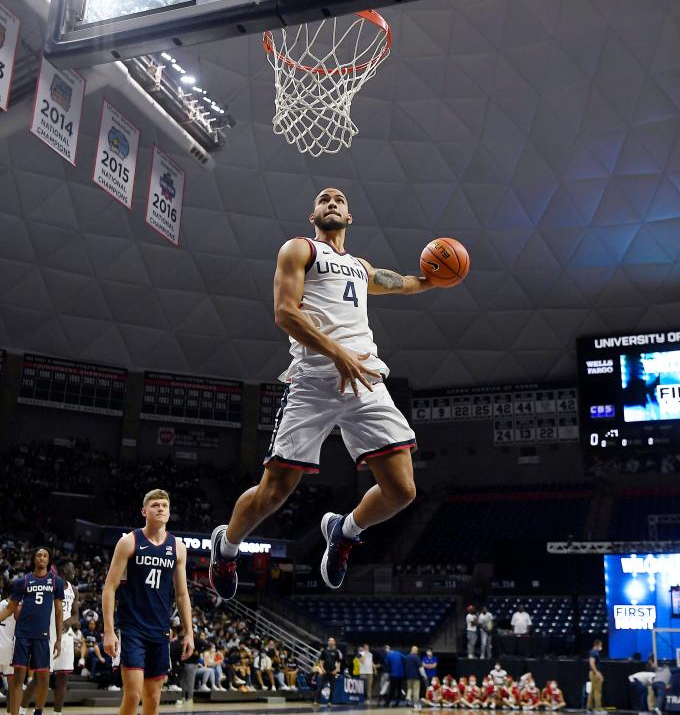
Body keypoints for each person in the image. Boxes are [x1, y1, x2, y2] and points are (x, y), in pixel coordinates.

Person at [208, 188, 442, 598]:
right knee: (275, 491)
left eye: (340, 200)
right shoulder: (300, 250)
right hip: (315, 380)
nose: (332, 201)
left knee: (403, 490)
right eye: (324, 199)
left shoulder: (360, 268)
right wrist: (337, 354)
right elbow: (285, 312)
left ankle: (343, 530)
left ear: (349, 217)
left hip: (364, 377)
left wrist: (435, 278)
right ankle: (226, 547)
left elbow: (401, 282)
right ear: (312, 214)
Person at [101, 490, 193, 715]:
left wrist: (189, 631)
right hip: (132, 628)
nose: (160, 508)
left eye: (164, 505)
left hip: (160, 630)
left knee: (153, 698)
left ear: (169, 513)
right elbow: (109, 587)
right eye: (155, 505)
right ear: (144, 511)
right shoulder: (129, 542)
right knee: (133, 694)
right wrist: (109, 630)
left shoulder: (177, 547)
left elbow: (182, 594)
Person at [0, 548, 64, 715]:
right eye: (38, 555)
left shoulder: (56, 582)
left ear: (48, 560)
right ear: (33, 558)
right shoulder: (23, 581)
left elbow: (59, 611)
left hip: (43, 636)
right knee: (18, 679)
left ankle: (38, 711)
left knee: (43, 678)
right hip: (22, 635)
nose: (41, 558)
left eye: (45, 555)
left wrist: (58, 639)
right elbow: (9, 609)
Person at [23, 560, 80, 715]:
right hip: (49, 636)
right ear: (63, 570)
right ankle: (21, 710)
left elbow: (76, 615)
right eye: (72, 568)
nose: (74, 571)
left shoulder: (74, 589)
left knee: (62, 679)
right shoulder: (51, 585)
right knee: (38, 678)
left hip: (66, 638)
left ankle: (57, 713)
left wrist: (69, 622)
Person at [318, 637, 343, 703]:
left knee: (332, 687)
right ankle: (317, 701)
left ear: (334, 642)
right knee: (321, 686)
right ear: (328, 642)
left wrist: (336, 670)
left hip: (332, 672)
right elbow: (321, 660)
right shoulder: (324, 651)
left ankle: (330, 702)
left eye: (332, 641)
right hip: (325, 671)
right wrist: (322, 669)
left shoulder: (336, 652)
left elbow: (338, 662)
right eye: (329, 641)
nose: (331, 642)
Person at [587, 639, 604, 712]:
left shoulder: (595, 652)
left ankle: (589, 708)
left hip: (594, 673)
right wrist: (597, 673)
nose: (601, 647)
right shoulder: (593, 652)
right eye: (600, 645)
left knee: (593, 691)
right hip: (594, 673)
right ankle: (598, 709)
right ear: (597, 645)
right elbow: (591, 663)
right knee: (598, 691)